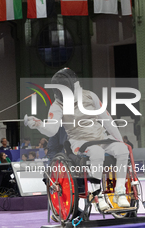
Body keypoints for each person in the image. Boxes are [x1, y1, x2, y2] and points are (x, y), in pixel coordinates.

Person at [24, 67, 130, 210]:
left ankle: (120, 191)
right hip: (80, 142)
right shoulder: (57, 105)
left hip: (101, 137)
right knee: (97, 153)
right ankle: (96, 194)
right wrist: (38, 124)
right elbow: (52, 130)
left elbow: (108, 121)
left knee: (123, 150)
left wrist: (120, 141)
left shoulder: (90, 96)